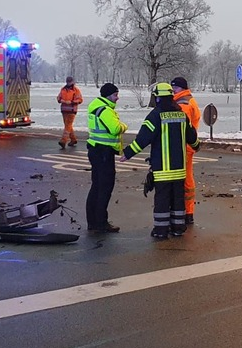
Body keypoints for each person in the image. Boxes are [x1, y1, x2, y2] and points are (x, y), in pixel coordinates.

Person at [120, 82, 200, 239]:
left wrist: (128, 153)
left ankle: (161, 231)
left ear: (157, 98)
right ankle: (178, 228)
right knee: (178, 199)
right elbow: (192, 138)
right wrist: (197, 147)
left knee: (162, 199)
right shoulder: (181, 115)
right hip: (179, 169)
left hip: (163, 169)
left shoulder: (155, 116)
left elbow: (142, 139)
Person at [85, 83, 125, 233]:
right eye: (115, 95)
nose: (117, 98)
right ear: (108, 95)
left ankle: (93, 222)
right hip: (103, 153)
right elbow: (115, 129)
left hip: (96, 150)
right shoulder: (105, 110)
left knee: (96, 187)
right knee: (104, 188)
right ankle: (101, 222)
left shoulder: (96, 106)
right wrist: (124, 126)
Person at [171, 76, 201, 225]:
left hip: (184, 147)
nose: (172, 91)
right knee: (187, 178)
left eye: (174, 88)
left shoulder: (183, 104)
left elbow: (182, 128)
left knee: (184, 180)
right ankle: (188, 211)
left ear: (181, 88)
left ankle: (186, 211)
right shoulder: (188, 100)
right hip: (188, 146)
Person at [57, 76, 84, 149]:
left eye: (70, 81)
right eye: (67, 81)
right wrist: (61, 100)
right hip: (64, 110)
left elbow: (80, 100)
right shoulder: (63, 89)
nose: (68, 83)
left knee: (67, 126)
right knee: (68, 126)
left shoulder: (76, 90)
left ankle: (63, 141)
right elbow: (58, 98)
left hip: (72, 110)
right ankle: (73, 139)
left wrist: (71, 102)